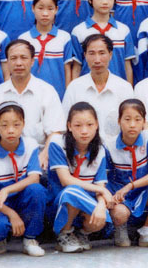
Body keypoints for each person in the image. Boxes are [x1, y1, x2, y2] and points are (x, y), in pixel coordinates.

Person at [0, 103, 48, 257]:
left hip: (22, 197)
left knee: (37, 191)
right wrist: (11, 214)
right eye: (4, 125)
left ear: (23, 124)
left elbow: (34, 178)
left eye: (16, 125)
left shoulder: (30, 145)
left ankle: (30, 238)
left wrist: (7, 189)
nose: (11, 130)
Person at [102, 99, 148, 248]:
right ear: (119, 121)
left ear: (144, 122)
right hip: (121, 195)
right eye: (127, 119)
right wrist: (112, 197)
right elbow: (104, 179)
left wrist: (131, 186)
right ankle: (120, 228)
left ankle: (147, 231)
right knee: (119, 215)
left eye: (137, 119)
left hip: (142, 191)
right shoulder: (110, 145)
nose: (132, 124)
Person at [0, 39, 65, 169]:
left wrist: (43, 156)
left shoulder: (46, 91)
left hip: (40, 159)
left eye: (23, 58)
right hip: (5, 160)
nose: (18, 63)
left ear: (32, 61)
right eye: (13, 58)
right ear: (7, 62)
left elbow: (55, 132)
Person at [47, 102, 112, 253]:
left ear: (97, 125)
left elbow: (100, 186)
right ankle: (64, 234)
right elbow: (66, 180)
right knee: (72, 191)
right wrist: (101, 191)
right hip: (59, 206)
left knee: (100, 217)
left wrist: (101, 206)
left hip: (84, 204)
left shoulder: (100, 150)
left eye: (90, 125)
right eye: (78, 125)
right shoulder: (58, 144)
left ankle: (81, 233)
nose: (84, 131)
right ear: (69, 126)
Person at [62, 34, 135, 141]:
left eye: (102, 53)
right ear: (85, 55)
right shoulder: (75, 87)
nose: (97, 60)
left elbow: (132, 124)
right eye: (91, 53)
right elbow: (64, 124)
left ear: (110, 55)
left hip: (116, 149)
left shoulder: (124, 88)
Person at [67, 0, 136, 83]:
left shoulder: (123, 30)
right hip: (87, 87)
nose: (105, 1)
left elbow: (127, 66)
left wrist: (129, 89)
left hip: (117, 87)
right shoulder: (79, 31)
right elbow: (77, 67)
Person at [18, 0, 71, 100]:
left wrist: (67, 95)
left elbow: (67, 69)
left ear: (56, 9)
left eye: (50, 8)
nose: (45, 13)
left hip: (58, 95)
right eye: (40, 8)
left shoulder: (64, 37)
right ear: (33, 8)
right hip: (30, 94)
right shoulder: (24, 38)